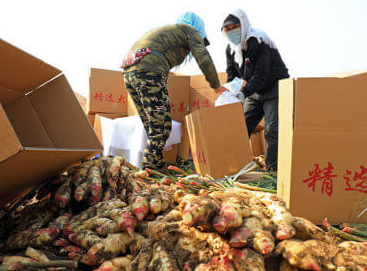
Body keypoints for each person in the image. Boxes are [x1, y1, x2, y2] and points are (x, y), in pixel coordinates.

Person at [121, 12, 220, 171]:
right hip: (149, 71)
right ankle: (150, 171)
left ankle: (156, 164)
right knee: (162, 126)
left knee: (151, 125)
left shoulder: (165, 32)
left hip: (129, 72)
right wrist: (216, 84)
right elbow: (204, 58)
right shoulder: (190, 30)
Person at [222, 9, 289, 172]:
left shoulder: (258, 41)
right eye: (227, 30)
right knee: (241, 127)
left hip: (275, 89)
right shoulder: (231, 49)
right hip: (255, 93)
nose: (232, 32)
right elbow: (232, 76)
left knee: (272, 130)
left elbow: (262, 74)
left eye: (235, 27)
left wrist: (244, 93)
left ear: (243, 24)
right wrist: (229, 94)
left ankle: (273, 172)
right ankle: (234, 168)